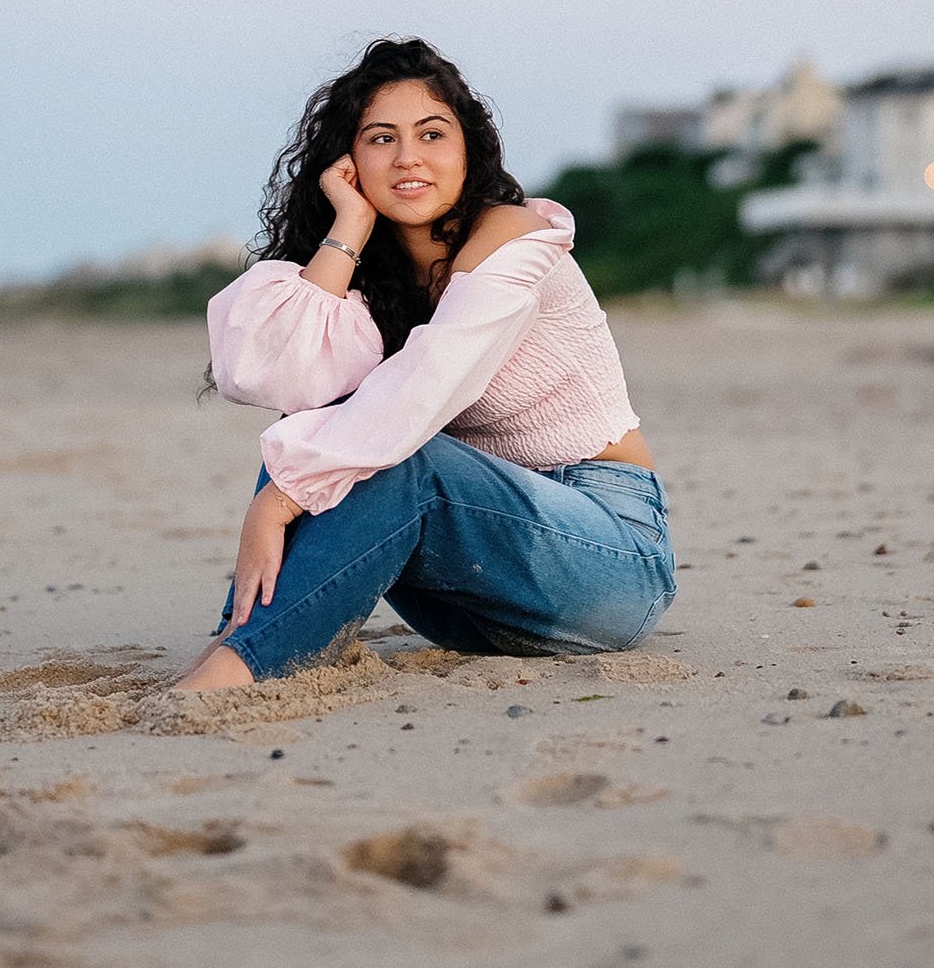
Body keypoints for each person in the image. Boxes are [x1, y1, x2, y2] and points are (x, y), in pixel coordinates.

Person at [173, 37, 675, 689]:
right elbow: (276, 373)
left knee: (371, 456)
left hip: (609, 558)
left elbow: (429, 381)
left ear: (468, 148)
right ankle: (240, 640)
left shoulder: (515, 238)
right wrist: (348, 225)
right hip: (471, 601)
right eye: (381, 139)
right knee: (320, 427)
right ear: (349, 160)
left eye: (431, 134)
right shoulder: (378, 279)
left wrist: (280, 500)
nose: (408, 158)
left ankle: (244, 666)